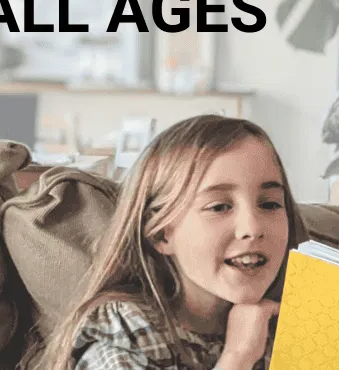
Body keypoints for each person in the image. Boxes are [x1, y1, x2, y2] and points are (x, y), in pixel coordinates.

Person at [38, 115, 307, 370]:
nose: (252, 228)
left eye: (270, 204)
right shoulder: (124, 336)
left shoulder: (289, 325)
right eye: (219, 207)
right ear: (161, 234)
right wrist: (238, 357)